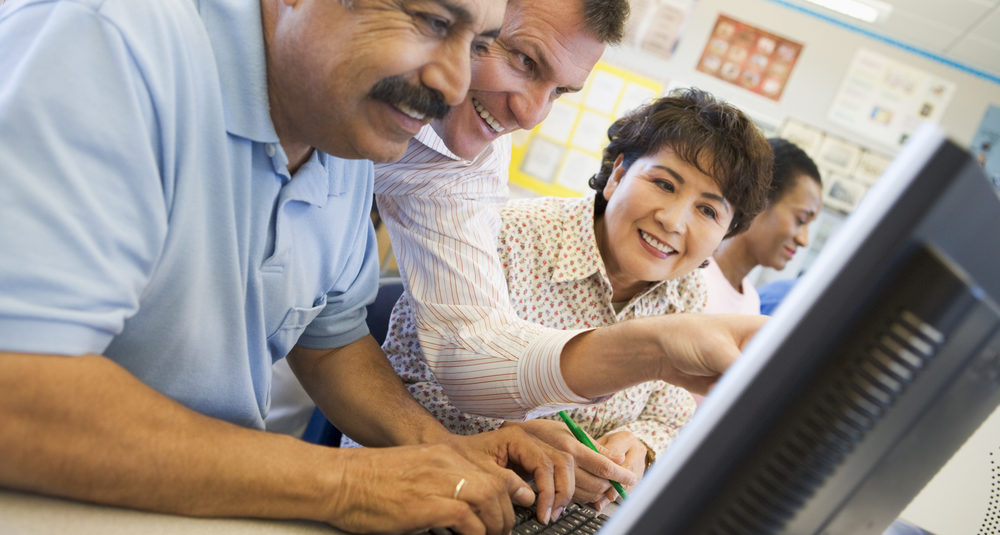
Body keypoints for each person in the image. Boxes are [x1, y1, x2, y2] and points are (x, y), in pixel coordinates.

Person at [0, 0, 584, 533]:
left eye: (478, 43)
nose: (456, 85)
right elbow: (17, 392)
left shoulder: (342, 123)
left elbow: (329, 340)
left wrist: (441, 449)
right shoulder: (110, 41)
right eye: (433, 23)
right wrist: (350, 485)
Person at [269, 0, 766, 506]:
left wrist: (636, 423)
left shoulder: (465, 151)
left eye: (560, 92)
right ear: (617, 175)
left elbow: (450, 347)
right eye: (523, 59)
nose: (531, 116)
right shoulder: (512, 230)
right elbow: (438, 367)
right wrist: (648, 350)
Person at [343, 90, 775, 514]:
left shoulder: (687, 294)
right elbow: (402, 388)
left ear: (727, 234)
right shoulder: (507, 237)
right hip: (420, 493)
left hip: (552, 517)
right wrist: (518, 437)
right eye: (664, 184)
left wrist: (638, 445)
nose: (673, 221)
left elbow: (670, 415)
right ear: (619, 174)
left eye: (708, 211)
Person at [703, 137, 823, 315]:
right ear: (758, 199)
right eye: (800, 220)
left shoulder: (751, 305)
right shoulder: (690, 275)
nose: (804, 240)